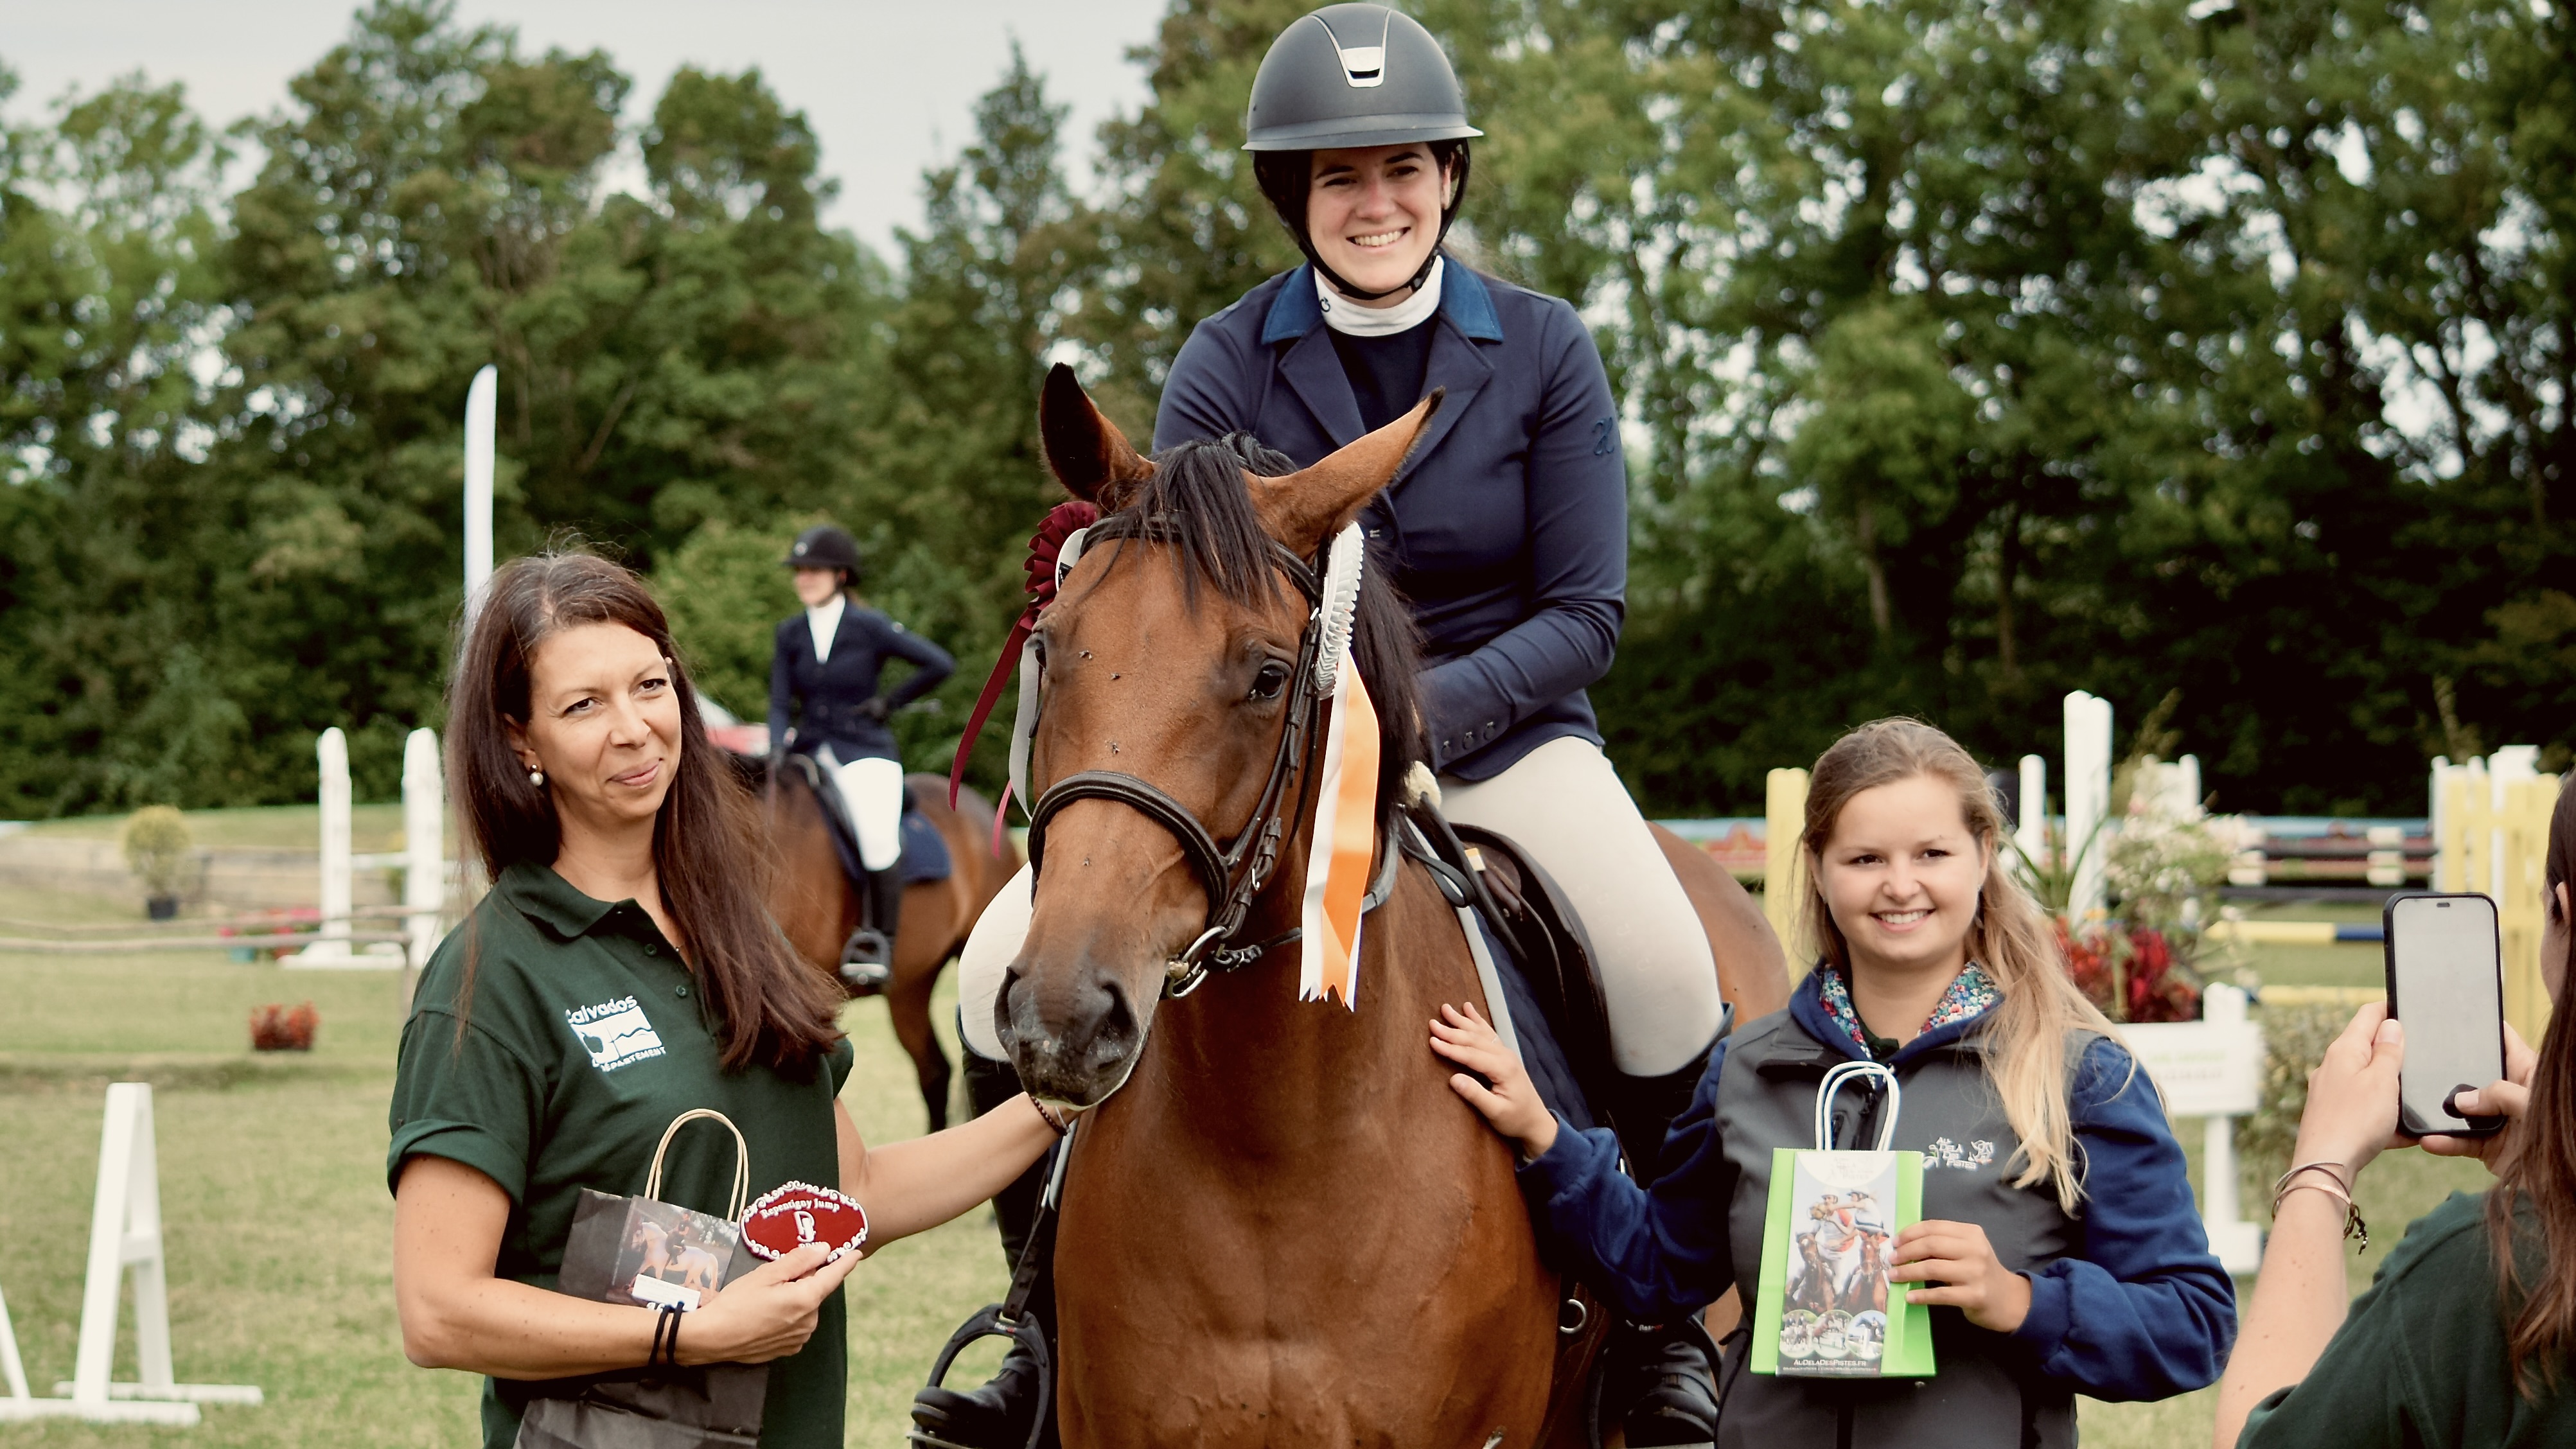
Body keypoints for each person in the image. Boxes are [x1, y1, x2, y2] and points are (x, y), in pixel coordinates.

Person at [924, 6, 1732, 1441]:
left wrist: (1406, 726)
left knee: (1668, 967)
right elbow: (1180, 598)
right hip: (1269, 747)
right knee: (996, 968)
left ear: (1448, 178)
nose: (1375, 203)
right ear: (1293, 198)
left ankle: (1661, 1324)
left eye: (1403, 169)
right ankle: (1040, 1325)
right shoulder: (1227, 356)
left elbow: (1585, 612)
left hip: (1508, 741)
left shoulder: (1545, 349)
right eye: (1339, 177)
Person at [391, 550, 1054, 1449]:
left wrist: (1057, 1104)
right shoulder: (491, 978)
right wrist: (689, 1335)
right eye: (583, 705)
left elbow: (858, 1190)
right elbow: (438, 1311)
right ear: (520, 741)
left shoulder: (740, 934)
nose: (634, 729)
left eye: (649, 686)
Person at [1430, 717, 2237, 1446]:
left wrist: (2019, 1300)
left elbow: (2193, 1325)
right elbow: (1657, 1269)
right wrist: (1543, 1133)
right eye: (1864, 859)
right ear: (1817, 869)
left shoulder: (2077, 1073)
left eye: (1931, 854)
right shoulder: (1746, 1069)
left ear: (1983, 857)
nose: (1899, 885)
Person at [2213, 774, 2575, 1447]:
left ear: (2565, 912)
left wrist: (2318, 1170)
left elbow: (2260, 1439)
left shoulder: (2483, 1268)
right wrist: (2554, 1171)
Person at [769, 523, 955, 989]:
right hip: (807, 750)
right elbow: (779, 701)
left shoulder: (868, 626)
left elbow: (938, 664)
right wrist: (774, 746)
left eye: (813, 570)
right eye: (799, 571)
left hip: (863, 750)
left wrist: (887, 703)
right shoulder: (789, 633)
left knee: (877, 837)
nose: (803, 579)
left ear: (841, 575)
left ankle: (879, 941)